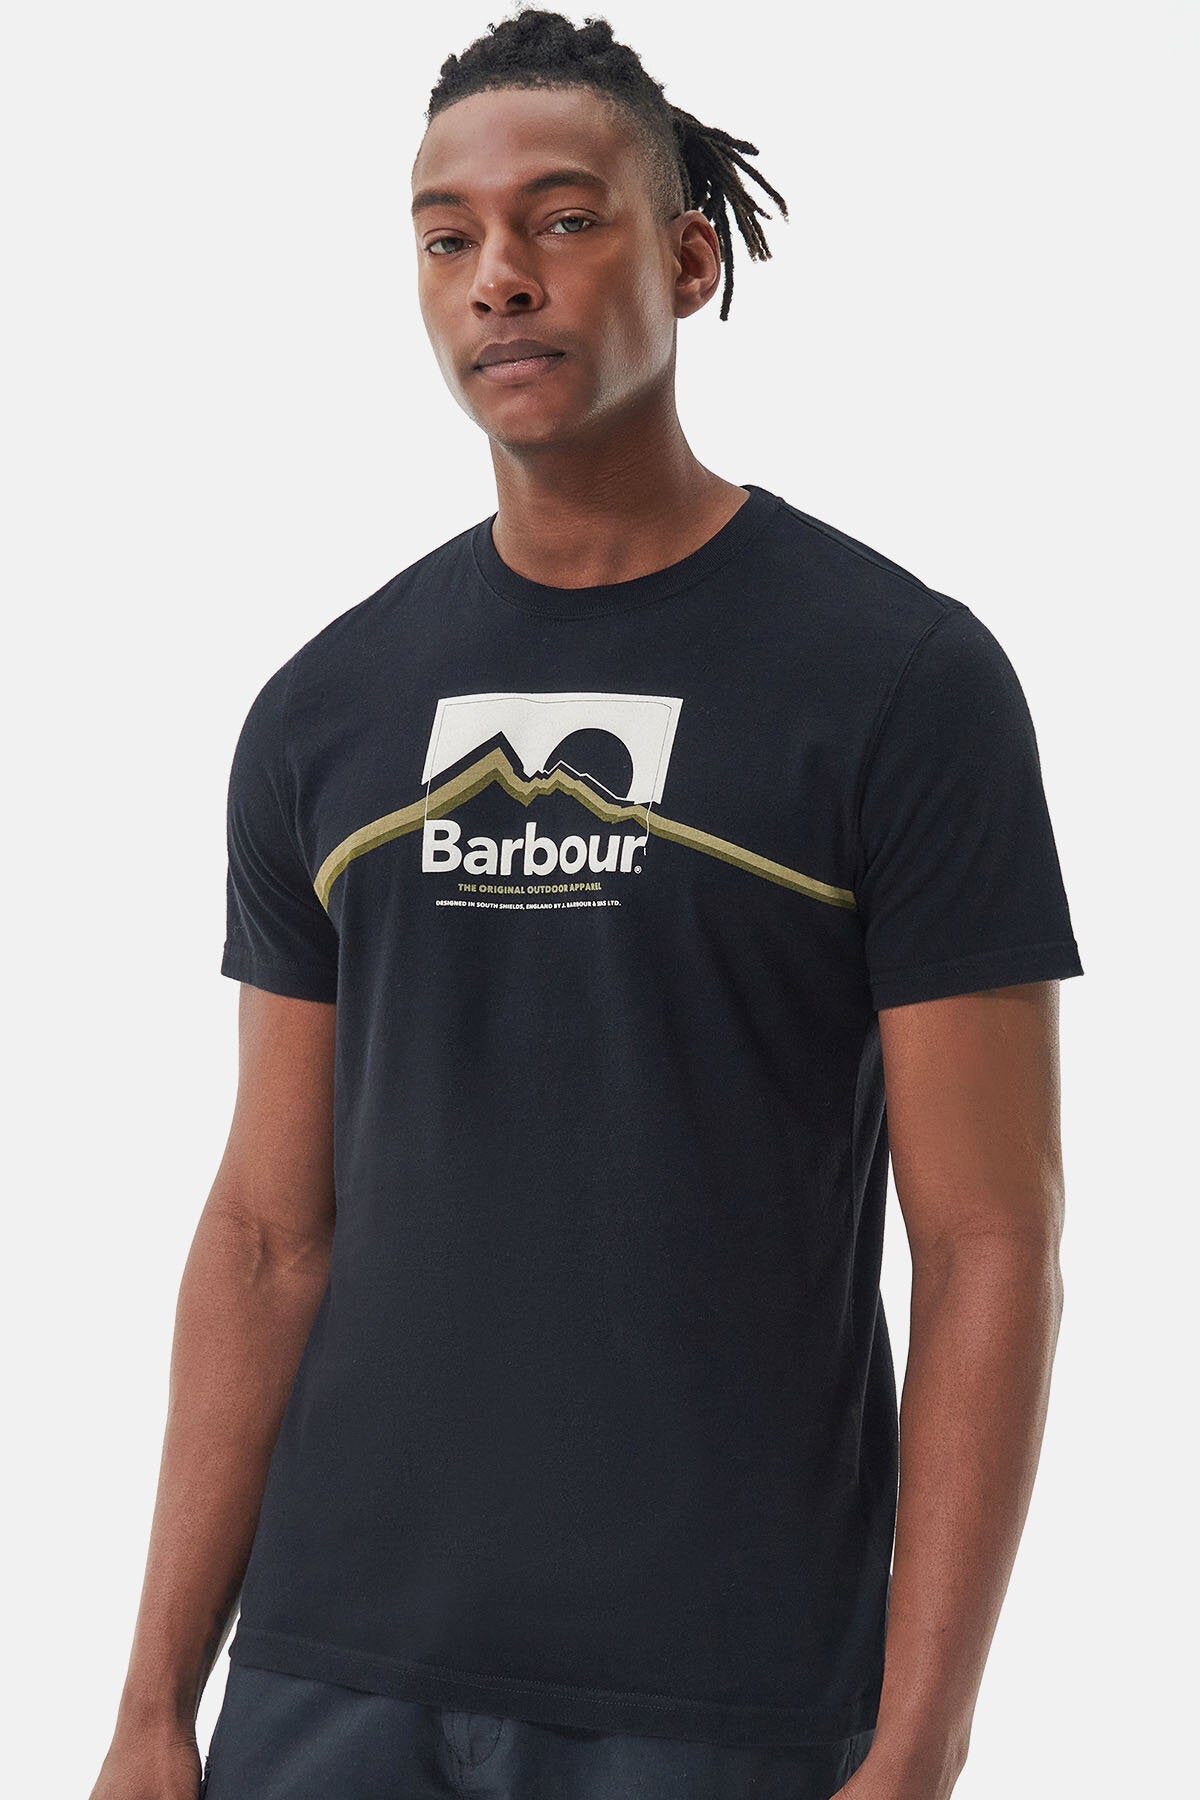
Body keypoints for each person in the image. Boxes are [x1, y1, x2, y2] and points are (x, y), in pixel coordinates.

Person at [89, 9, 1085, 1799]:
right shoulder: (324, 712)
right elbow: (265, 1233)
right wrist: (155, 1699)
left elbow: (988, 1242)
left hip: (716, 1689)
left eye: (562, 219)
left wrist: (923, 1738)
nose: (499, 277)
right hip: (330, 1670)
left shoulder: (899, 682)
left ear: (689, 260)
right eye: (447, 236)